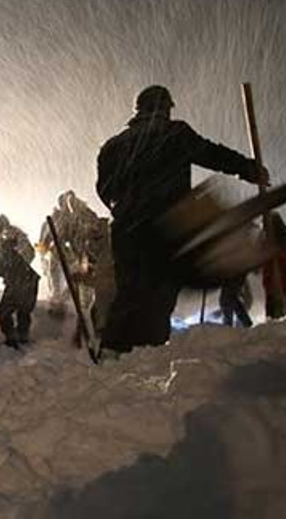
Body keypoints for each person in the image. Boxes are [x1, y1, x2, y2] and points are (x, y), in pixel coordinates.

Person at [96, 85, 266, 356]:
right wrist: (248, 168)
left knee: (129, 291)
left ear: (138, 109)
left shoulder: (112, 146)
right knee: (160, 293)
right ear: (165, 108)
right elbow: (213, 154)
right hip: (165, 227)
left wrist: (129, 210)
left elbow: (105, 191)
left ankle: (113, 351)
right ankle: (147, 354)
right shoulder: (174, 134)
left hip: (126, 231)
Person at [0, 229, 39, 348]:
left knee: (7, 309)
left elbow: (2, 269)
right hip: (26, 284)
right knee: (21, 311)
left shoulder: (12, 256)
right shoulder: (10, 255)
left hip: (24, 284)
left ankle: (14, 337)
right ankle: (19, 336)